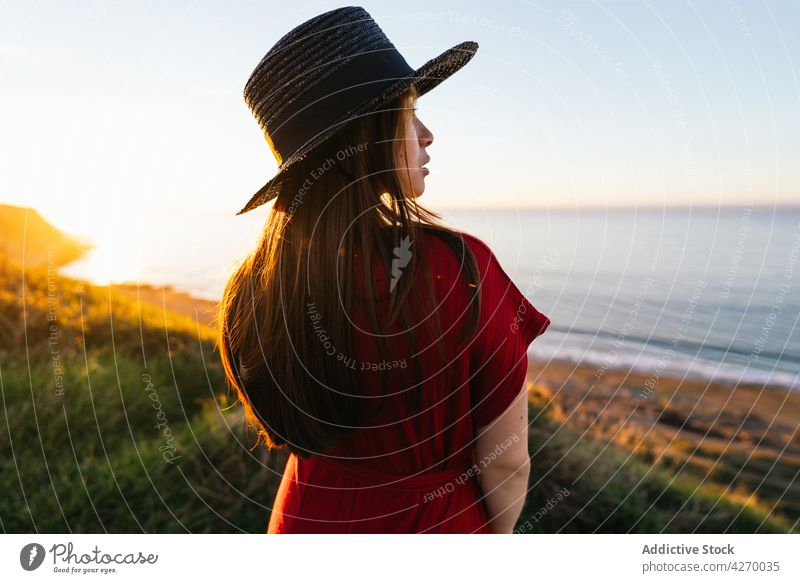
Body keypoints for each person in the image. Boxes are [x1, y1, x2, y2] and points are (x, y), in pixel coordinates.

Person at [218, 6, 552, 534]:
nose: (427, 134)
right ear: (361, 137)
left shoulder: (255, 285)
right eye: (407, 113)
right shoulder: (457, 269)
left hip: (305, 517)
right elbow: (506, 462)